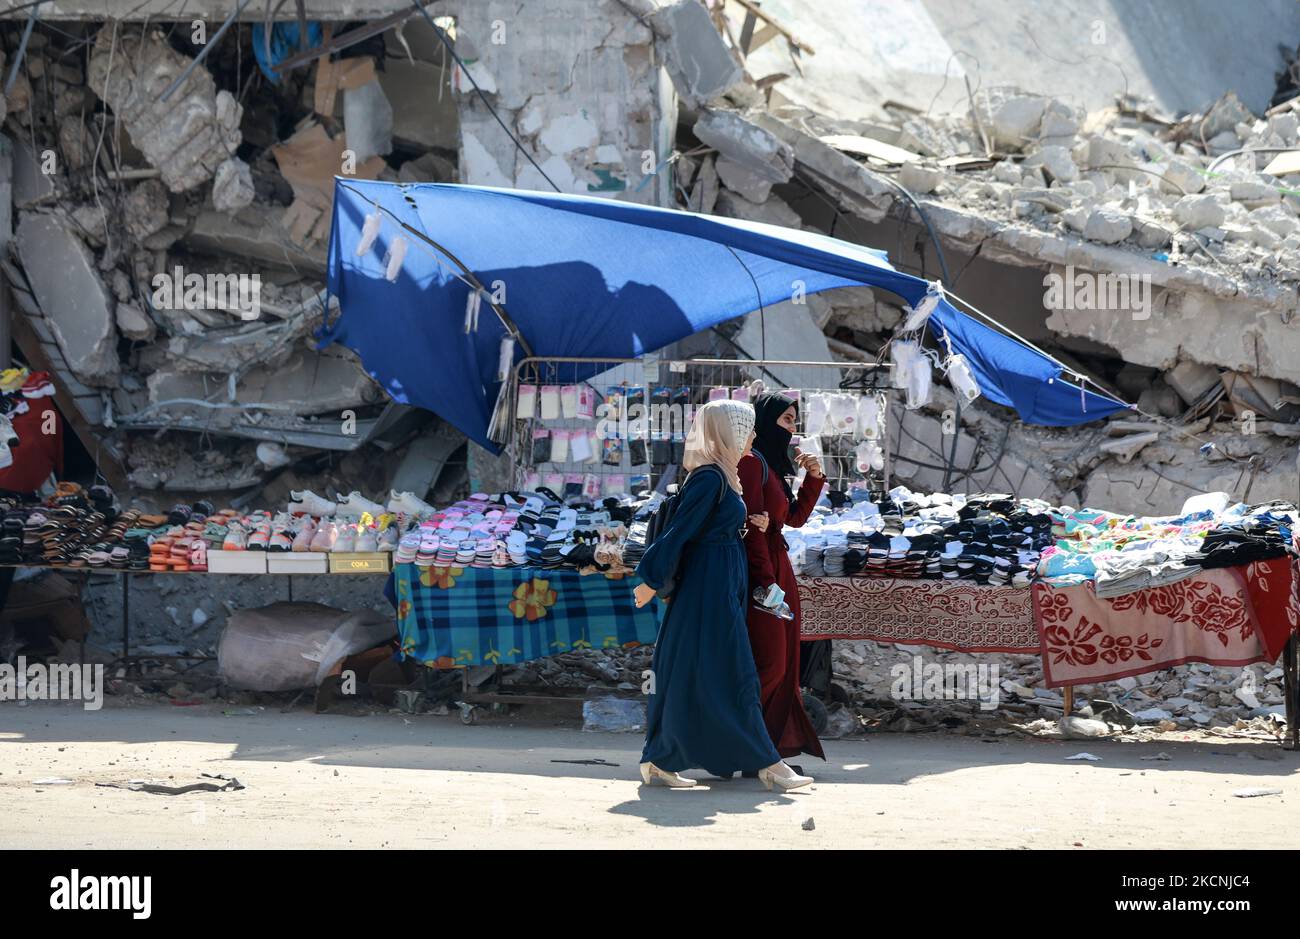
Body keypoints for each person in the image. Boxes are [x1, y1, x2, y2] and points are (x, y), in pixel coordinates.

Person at [632, 399, 812, 791]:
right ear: (726, 432)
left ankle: (659, 761)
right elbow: (678, 532)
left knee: (690, 674)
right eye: (745, 428)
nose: (752, 436)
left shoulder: (725, 475)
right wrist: (650, 579)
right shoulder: (710, 478)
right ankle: (768, 764)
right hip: (706, 589)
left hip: (722, 585)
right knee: (736, 675)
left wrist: (757, 526)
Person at [738, 392, 826, 765]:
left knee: (783, 660)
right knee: (769, 661)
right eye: (786, 421)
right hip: (762, 570)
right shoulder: (749, 464)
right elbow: (752, 530)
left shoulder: (770, 466)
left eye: (794, 421)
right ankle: (748, 744)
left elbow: (792, 518)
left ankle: (766, 747)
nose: (792, 429)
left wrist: (814, 478)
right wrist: (766, 582)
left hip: (778, 567)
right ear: (764, 422)